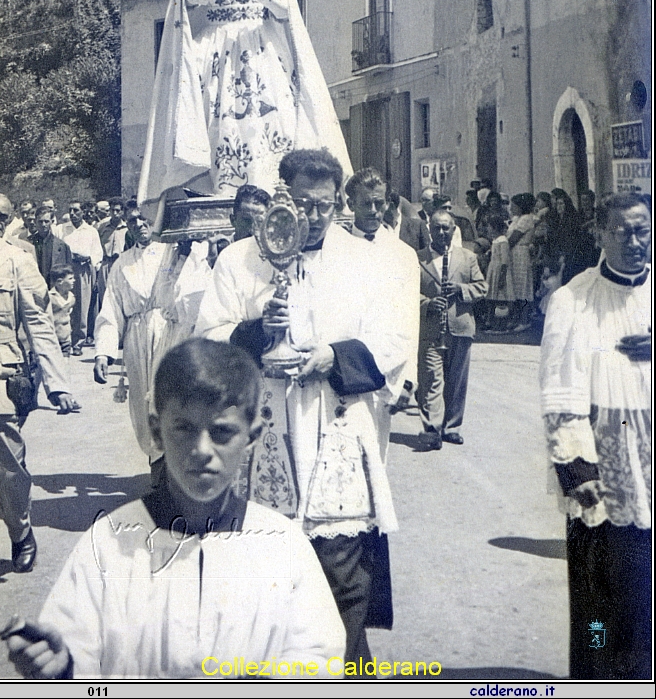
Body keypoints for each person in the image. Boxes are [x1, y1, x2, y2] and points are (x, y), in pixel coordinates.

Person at [4, 338, 345, 679]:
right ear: (157, 431)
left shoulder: (280, 544)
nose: (201, 450)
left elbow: (317, 656)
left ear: (252, 436)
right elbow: (77, 652)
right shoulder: (109, 545)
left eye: (222, 432)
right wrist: (61, 668)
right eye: (183, 428)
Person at [197, 148, 414, 664]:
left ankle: (343, 672)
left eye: (322, 205)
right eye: (301, 203)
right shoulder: (239, 259)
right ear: (282, 197)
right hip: (264, 428)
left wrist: (329, 356)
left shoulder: (366, 261)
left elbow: (392, 341)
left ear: (338, 201)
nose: (312, 216)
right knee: (266, 566)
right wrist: (253, 333)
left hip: (335, 423)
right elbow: (206, 336)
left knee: (341, 569)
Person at [137, 0, 352, 214]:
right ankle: (224, 186)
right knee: (218, 113)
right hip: (220, 46)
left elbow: (285, 8)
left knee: (269, 115)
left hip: (259, 47)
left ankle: (272, 184)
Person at [539, 193, 651, 680]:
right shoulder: (573, 300)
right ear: (600, 234)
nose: (634, 241)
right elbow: (558, 388)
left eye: (642, 230)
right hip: (604, 471)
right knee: (601, 606)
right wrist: (577, 468)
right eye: (622, 231)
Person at [0, 198, 79, 574]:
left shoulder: (14, 260)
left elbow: (40, 323)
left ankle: (19, 529)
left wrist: (57, 384)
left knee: (7, 470)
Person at [94, 207, 213, 476]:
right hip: (137, 338)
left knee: (168, 400)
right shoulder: (122, 263)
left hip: (171, 333)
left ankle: (173, 471)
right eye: (132, 220)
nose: (139, 223)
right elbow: (111, 309)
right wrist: (104, 352)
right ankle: (156, 465)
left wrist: (188, 253)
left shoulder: (176, 251)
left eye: (143, 216)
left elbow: (194, 293)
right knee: (142, 405)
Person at [345, 168, 420, 414]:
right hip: (344, 369)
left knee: (377, 448)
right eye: (366, 203)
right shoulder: (335, 250)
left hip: (387, 371)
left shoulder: (404, 255)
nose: (373, 211)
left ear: (388, 203)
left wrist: (409, 379)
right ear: (351, 204)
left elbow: (411, 321)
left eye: (379, 203)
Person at [417, 210, 487, 449]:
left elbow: (482, 288)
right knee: (431, 380)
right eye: (436, 227)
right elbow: (404, 292)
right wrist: (426, 303)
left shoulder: (468, 258)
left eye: (446, 228)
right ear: (429, 229)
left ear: (454, 230)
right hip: (430, 329)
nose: (441, 232)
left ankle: (452, 427)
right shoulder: (417, 258)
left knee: (457, 382)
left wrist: (460, 289)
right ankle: (432, 429)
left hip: (460, 327)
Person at [58, 201, 103, 354]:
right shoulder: (62, 229)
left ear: (83, 212)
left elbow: (97, 254)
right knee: (64, 304)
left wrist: (88, 259)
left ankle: (78, 342)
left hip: (84, 269)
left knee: (82, 307)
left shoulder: (91, 231)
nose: (72, 214)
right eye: (70, 210)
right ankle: (64, 340)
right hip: (66, 269)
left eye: (76, 211)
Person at [507, 193, 537, 332]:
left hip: (520, 253)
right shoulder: (516, 219)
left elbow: (513, 238)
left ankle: (524, 320)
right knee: (516, 288)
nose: (511, 207)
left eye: (514, 205)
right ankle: (517, 318)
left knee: (523, 287)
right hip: (514, 254)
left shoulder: (526, 219)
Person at [483, 213, 515, 333]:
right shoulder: (495, 240)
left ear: (495, 227)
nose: (488, 229)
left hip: (500, 272)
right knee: (492, 298)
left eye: (490, 226)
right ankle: (491, 322)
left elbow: (505, 261)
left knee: (500, 299)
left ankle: (501, 325)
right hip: (493, 270)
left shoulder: (503, 241)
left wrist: (502, 277)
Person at [96, 197, 128, 310]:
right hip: (105, 264)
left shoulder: (127, 228)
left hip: (120, 263)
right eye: (112, 210)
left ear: (123, 211)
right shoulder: (102, 227)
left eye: (118, 210)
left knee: (120, 295)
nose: (115, 213)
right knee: (104, 296)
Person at [31, 206, 72, 289]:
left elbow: (68, 272)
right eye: (40, 221)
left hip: (54, 289)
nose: (43, 225)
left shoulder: (62, 246)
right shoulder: (28, 243)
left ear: (51, 222)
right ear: (35, 222)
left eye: (46, 221)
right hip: (34, 288)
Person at [49, 267, 76, 386]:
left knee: (65, 367)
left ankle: (67, 393)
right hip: (52, 338)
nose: (74, 280)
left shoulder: (71, 296)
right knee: (44, 368)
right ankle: (33, 396)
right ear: (60, 282)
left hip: (65, 338)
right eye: (70, 279)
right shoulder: (50, 297)